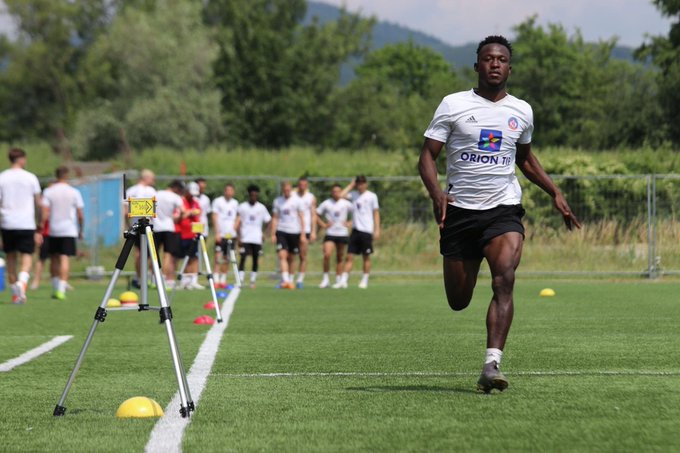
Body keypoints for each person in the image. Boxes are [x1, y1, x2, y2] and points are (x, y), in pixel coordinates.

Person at [418, 35, 581, 393]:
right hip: (460, 212)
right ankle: (468, 272)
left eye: (502, 59)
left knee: (504, 279)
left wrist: (554, 192)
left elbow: (524, 159)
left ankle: (492, 364)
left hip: (503, 209)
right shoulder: (453, 104)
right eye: (488, 58)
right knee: (459, 301)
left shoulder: (521, 111)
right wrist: (436, 194)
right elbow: (427, 156)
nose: (495, 64)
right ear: (477, 66)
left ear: (509, 67)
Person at [0, 148, 42, 304]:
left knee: (11, 257)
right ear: (22, 159)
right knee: (27, 257)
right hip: (26, 223)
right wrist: (40, 224)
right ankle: (21, 284)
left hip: (7, 223)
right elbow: (38, 203)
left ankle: (16, 295)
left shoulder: (2, 177)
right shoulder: (30, 178)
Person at [41, 166, 84, 300]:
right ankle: (61, 289)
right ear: (67, 176)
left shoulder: (48, 191)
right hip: (69, 229)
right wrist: (80, 229)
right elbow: (80, 214)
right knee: (64, 258)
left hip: (53, 229)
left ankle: (55, 287)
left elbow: (45, 212)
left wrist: (41, 227)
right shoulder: (74, 192)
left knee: (53, 258)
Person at [333, 175, 380, 289]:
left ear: (366, 184)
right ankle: (343, 280)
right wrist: (351, 185)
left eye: (362, 183)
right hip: (355, 230)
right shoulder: (354, 194)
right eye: (358, 183)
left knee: (366, 256)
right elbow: (341, 195)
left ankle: (365, 279)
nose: (360, 186)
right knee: (349, 256)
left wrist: (377, 229)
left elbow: (376, 213)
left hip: (367, 230)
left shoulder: (372, 196)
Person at [234, 184, 271, 289]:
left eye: (255, 195)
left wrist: (265, 234)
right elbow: (237, 222)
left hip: (256, 238)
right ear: (249, 195)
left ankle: (252, 280)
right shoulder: (242, 207)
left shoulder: (261, 207)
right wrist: (238, 236)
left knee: (255, 258)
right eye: (252, 195)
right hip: (245, 237)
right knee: (243, 257)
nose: (254, 197)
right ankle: (240, 279)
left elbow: (269, 221)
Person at [124, 169, 157, 288]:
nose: (153, 181)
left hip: (135, 225)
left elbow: (125, 210)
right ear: (146, 178)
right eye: (152, 178)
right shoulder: (151, 190)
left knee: (138, 252)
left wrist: (128, 224)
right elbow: (154, 209)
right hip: (148, 226)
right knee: (151, 252)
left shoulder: (131, 190)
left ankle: (139, 278)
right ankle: (151, 278)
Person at [271, 181, 306, 289]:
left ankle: (291, 279)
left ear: (291, 190)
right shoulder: (277, 201)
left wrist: (303, 233)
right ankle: (285, 280)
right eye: (285, 190)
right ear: (282, 190)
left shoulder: (297, 201)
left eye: (288, 190)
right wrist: (273, 233)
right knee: (282, 255)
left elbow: (301, 217)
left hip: (294, 231)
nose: (287, 192)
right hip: (281, 231)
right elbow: (275, 218)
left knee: (292, 257)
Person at [316, 184, 352, 288]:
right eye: (334, 191)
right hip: (330, 233)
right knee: (327, 254)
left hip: (342, 233)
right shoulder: (326, 203)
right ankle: (325, 279)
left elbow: (358, 213)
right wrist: (323, 224)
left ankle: (338, 279)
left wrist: (350, 222)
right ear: (331, 192)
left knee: (340, 257)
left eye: (338, 191)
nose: (336, 193)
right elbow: (316, 214)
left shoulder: (346, 203)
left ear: (341, 192)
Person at [153, 180, 184, 287]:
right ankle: (164, 278)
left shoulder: (156, 194)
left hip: (155, 227)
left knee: (153, 254)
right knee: (167, 255)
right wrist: (178, 218)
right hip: (168, 227)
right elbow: (182, 211)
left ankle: (153, 278)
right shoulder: (175, 197)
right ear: (176, 188)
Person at [177, 182, 203, 290]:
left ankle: (193, 280)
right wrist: (189, 212)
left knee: (194, 257)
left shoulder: (195, 202)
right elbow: (179, 216)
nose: (192, 196)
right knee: (185, 258)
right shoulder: (180, 201)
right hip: (183, 233)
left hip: (194, 233)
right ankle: (185, 281)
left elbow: (198, 213)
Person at [211, 183, 239, 287]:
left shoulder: (235, 203)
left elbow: (237, 218)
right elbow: (214, 216)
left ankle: (223, 279)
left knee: (227, 257)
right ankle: (216, 279)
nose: (229, 192)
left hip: (230, 235)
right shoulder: (218, 201)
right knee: (218, 256)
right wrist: (217, 232)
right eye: (227, 190)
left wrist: (234, 229)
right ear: (224, 191)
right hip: (221, 234)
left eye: (231, 190)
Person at [292, 176, 317, 289]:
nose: (302, 187)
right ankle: (289, 279)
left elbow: (313, 215)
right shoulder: (292, 195)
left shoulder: (311, 197)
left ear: (307, 186)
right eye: (300, 184)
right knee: (291, 256)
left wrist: (313, 231)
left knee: (303, 255)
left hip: (305, 229)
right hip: (292, 229)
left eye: (304, 185)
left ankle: (300, 279)